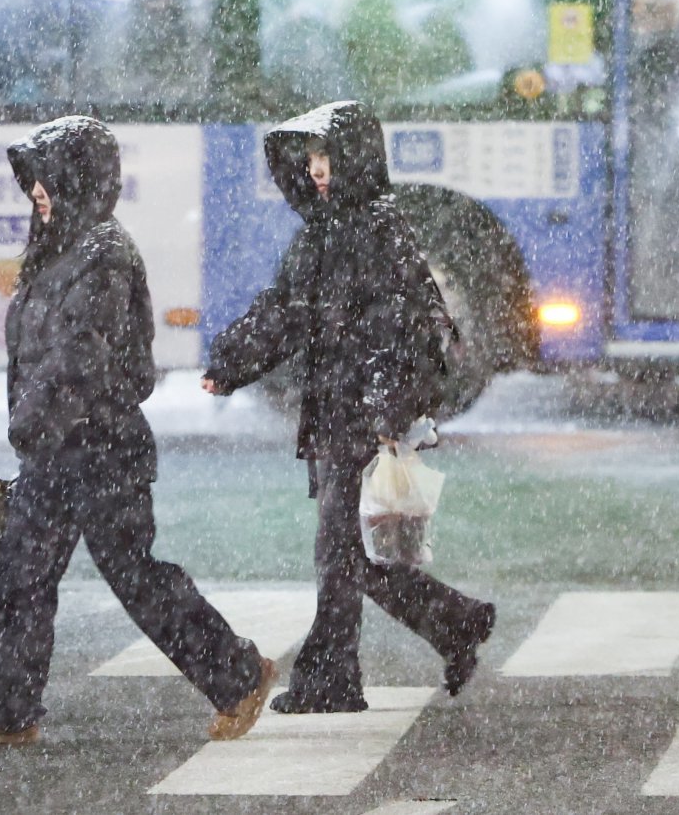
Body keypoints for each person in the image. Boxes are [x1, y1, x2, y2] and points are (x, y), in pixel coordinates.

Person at [0, 114, 277, 746]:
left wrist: (33, 420)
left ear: (77, 177)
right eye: (32, 179)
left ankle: (240, 674)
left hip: (101, 447)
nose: (36, 190)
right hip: (52, 446)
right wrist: (35, 426)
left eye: (46, 177)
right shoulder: (58, 248)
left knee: (135, 576)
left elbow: (81, 355)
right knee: (19, 571)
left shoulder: (103, 255)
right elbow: (40, 354)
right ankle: (8, 710)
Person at [201, 100, 496, 712]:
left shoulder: (377, 230)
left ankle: (332, 677)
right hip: (339, 409)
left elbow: (408, 326)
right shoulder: (326, 231)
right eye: (311, 158)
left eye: (326, 157)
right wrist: (232, 362)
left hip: (361, 414)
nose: (316, 170)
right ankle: (454, 622)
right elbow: (287, 310)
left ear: (354, 158)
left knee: (340, 551)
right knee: (353, 551)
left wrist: (388, 411)